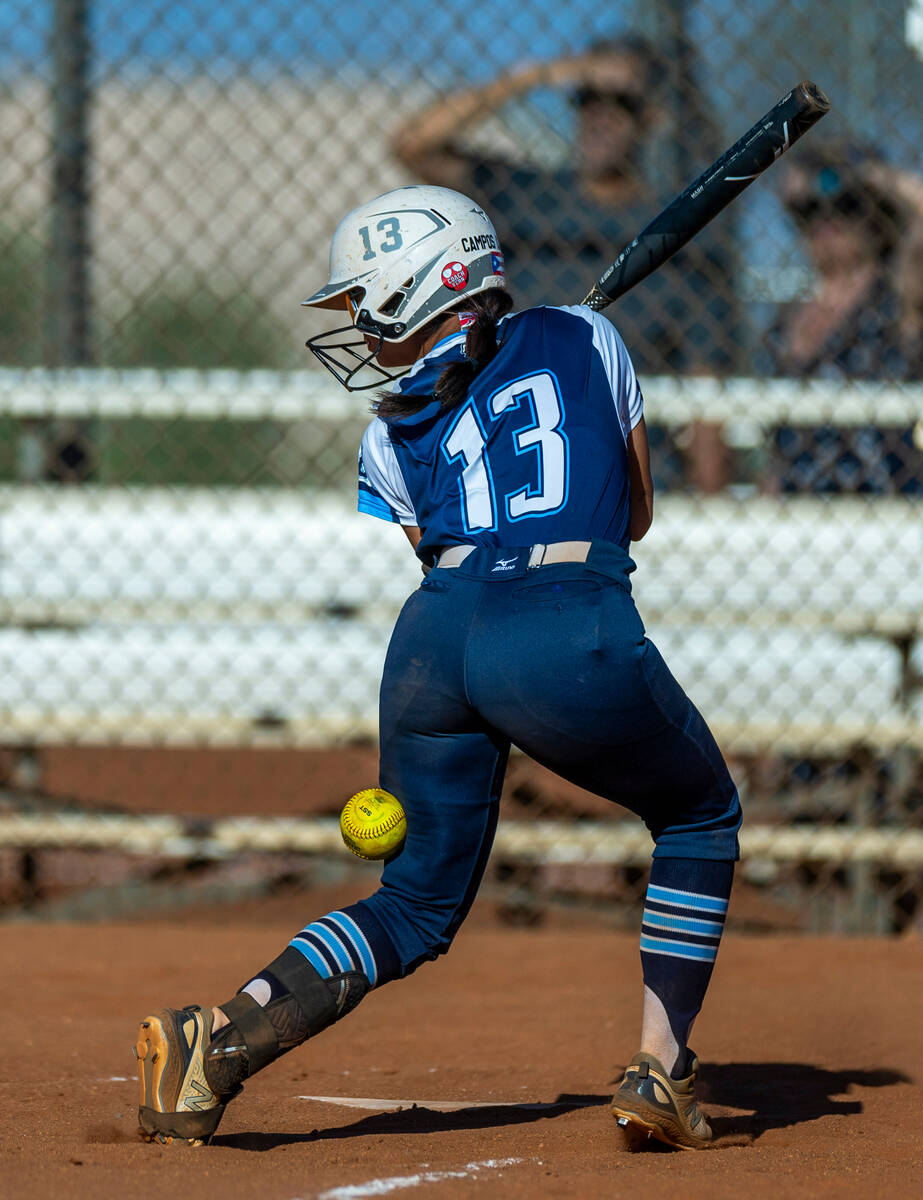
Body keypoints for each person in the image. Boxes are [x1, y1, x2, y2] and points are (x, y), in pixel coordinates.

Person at [135, 185, 742, 1152]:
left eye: (366, 305)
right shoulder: (586, 337)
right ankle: (659, 1068)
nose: (358, 331)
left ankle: (215, 1044)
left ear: (430, 289)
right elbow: (633, 514)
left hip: (431, 642)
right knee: (699, 813)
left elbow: (443, 547)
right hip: (562, 618)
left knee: (414, 903)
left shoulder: (385, 437)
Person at [392, 36, 739, 491]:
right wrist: (529, 77)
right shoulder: (527, 198)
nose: (599, 115)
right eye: (587, 96)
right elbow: (413, 145)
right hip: (505, 476)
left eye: (621, 101)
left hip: (620, 484)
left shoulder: (674, 236)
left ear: (652, 117)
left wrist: (708, 522)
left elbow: (705, 403)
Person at [760, 143, 922, 493]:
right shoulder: (785, 320)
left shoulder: (896, 299)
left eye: (847, 207)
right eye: (810, 211)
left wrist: (871, 178)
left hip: (881, 511)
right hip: (796, 517)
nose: (826, 221)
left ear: (877, 220)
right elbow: (780, 447)